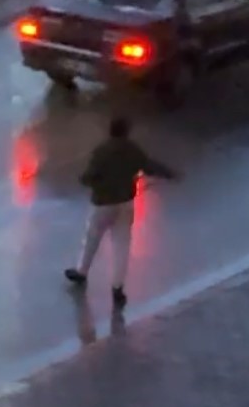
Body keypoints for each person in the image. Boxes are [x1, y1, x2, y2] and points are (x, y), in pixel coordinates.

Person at [65, 116, 177, 308]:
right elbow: (150, 166)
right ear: (127, 131)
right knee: (122, 246)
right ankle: (118, 288)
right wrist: (170, 173)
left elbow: (88, 177)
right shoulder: (132, 150)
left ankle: (82, 272)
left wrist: (85, 180)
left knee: (92, 238)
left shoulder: (102, 151)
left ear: (110, 131)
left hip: (102, 203)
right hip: (125, 203)